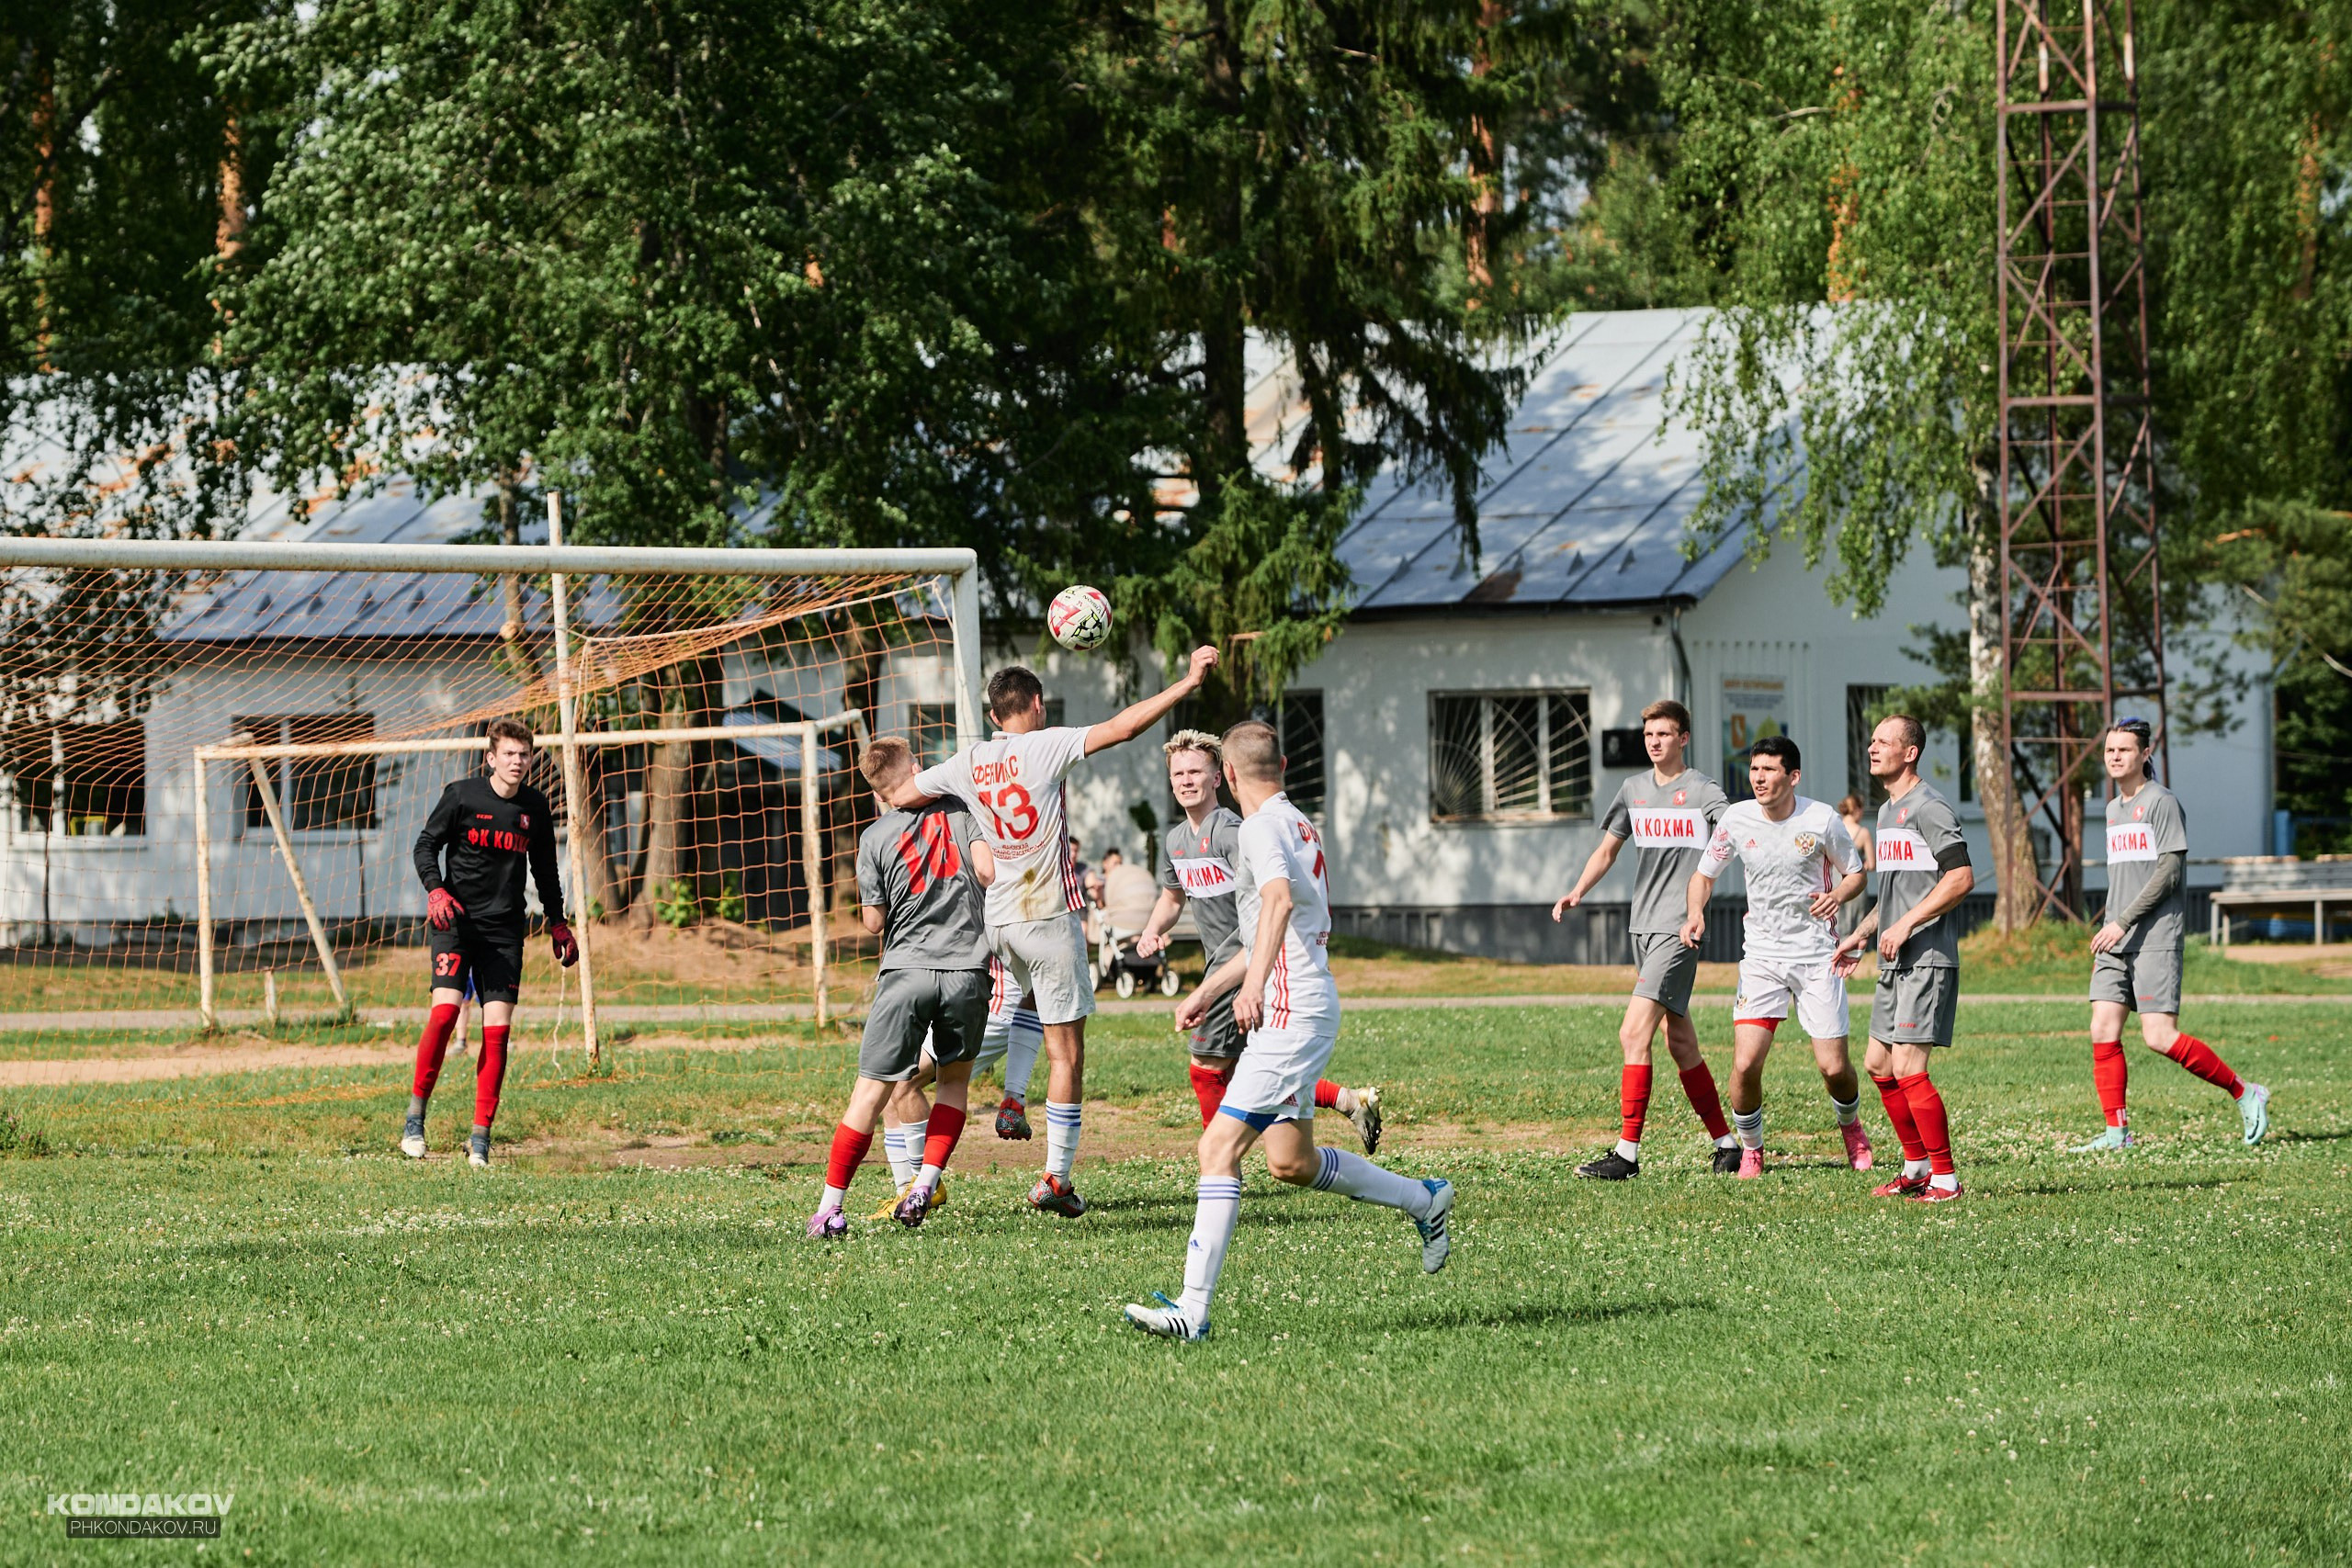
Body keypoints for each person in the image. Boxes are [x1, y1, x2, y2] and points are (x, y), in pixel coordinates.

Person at [1125, 721, 1453, 1342]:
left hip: (1289, 1010)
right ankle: (1424, 1198)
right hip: (1301, 1005)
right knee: (1292, 1161)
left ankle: (1192, 1310)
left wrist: (1250, 990)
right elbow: (1268, 930)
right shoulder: (1296, 820)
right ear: (1282, 767)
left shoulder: (1258, 826)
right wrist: (1208, 990)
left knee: (1216, 1148)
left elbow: (1275, 903)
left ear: (1226, 774)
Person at [888, 646, 1219, 1217]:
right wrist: (1187, 683)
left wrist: (931, 789)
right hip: (1048, 914)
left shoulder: (967, 763)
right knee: (1066, 1052)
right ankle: (1056, 1178)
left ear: (995, 717)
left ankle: (992, 1099)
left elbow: (902, 794)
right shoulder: (1047, 743)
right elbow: (1122, 726)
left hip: (1000, 922)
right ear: (1037, 705)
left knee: (1018, 1006)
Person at [1136, 729, 1381, 1147]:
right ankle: (1347, 1101)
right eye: (1177, 773)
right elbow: (1171, 897)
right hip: (1239, 968)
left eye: (1196, 770)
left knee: (1207, 1065)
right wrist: (1152, 929)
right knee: (1256, 1064)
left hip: (1245, 962)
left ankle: (1218, 1160)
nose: (1185, 780)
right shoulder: (1176, 840)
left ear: (1220, 777)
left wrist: (1245, 976)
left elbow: (1272, 902)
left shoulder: (1238, 831)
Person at [808, 738, 997, 1237]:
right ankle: (923, 1184)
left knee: (870, 1092)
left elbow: (872, 922)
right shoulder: (961, 810)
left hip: (904, 972)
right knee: (954, 1083)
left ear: (876, 792)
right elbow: (988, 870)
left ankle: (830, 1209)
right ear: (916, 768)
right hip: (967, 970)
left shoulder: (874, 837)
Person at [1553, 698, 1737, 1178]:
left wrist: (1700, 901)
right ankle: (1727, 1143)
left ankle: (1627, 1155)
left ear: (1684, 738)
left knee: (1633, 1032)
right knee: (1680, 1042)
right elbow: (1608, 850)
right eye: (1649, 735)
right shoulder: (1633, 789)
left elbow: (1735, 831)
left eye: (1664, 734)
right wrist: (1577, 890)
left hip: (1680, 930)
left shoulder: (1702, 790)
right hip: (1642, 927)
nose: (1655, 742)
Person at [1679, 734, 1873, 1179]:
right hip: (1762, 957)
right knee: (1745, 1064)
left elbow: (1857, 875)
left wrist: (1837, 895)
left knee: (1834, 1067)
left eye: (1769, 770)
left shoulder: (1822, 819)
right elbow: (1703, 876)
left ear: (1793, 776)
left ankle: (1852, 1128)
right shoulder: (1737, 819)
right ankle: (1752, 1149)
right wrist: (1695, 913)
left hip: (1815, 956)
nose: (1759, 778)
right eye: (1754, 769)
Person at [2073, 718, 2270, 1151]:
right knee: (2102, 1028)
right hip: (2115, 937)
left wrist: (2122, 920)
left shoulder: (2162, 803)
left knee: (2158, 1036)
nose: (2115, 757)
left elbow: (2169, 874)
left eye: (2124, 750)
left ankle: (2245, 1091)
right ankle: (2115, 1134)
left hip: (2154, 935)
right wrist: (2114, 923)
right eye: (2109, 751)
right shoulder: (2111, 810)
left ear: (2145, 754)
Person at [401, 718, 577, 1168]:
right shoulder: (461, 795)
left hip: (503, 932)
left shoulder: (535, 808)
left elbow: (546, 873)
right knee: (443, 1015)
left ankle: (480, 1138)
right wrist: (435, 889)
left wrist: (558, 923)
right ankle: (415, 1121)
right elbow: (425, 845)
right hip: (454, 922)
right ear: (491, 758)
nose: (517, 762)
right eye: (510, 754)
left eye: (524, 754)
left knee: (496, 1033)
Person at [1832, 716, 1974, 1201]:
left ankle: (1946, 1180)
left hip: (1928, 957)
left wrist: (1908, 924)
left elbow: (1960, 879)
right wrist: (1862, 933)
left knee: (1910, 1067)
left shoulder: (1929, 808)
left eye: (1883, 742)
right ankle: (1915, 1169)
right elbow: (1894, 897)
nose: (1872, 748)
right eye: (1870, 740)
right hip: (1896, 958)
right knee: (1877, 1064)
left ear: (1910, 753)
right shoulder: (1887, 811)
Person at [1835, 793, 1877, 939]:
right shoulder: (1862, 832)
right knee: (1856, 924)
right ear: (1857, 810)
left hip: (1835, 883)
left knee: (1836, 922)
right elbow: (1871, 864)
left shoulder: (1835, 828)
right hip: (1856, 884)